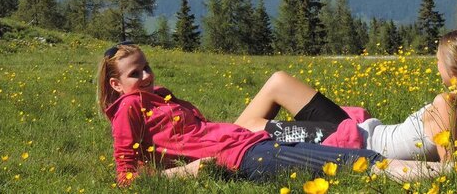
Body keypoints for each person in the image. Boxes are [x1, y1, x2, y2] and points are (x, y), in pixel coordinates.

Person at [97, 41, 385, 185]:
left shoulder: (158, 97)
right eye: (136, 74)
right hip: (235, 149)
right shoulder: (130, 108)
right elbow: (126, 177)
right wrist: (187, 171)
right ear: (115, 84)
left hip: (234, 136)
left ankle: (365, 132)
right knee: (350, 138)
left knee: (280, 81)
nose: (147, 76)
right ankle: (372, 136)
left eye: (146, 67)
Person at [237, 28, 457, 163]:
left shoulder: (446, 103)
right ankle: (218, 145)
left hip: (351, 141)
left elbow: (451, 167)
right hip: (360, 130)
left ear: (450, 67)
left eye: (437, 59)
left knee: (252, 126)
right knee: (279, 81)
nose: (436, 65)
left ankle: (217, 151)